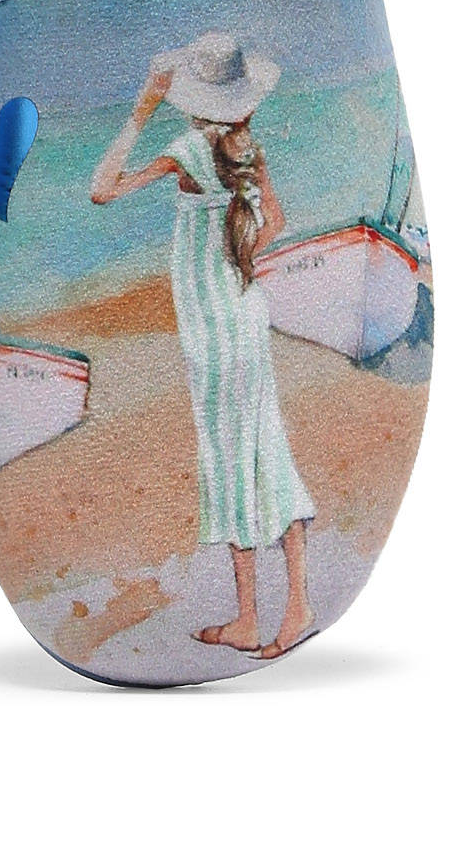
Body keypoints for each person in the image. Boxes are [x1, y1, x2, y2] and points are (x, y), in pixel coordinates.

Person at [91, 32, 315, 658]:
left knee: (230, 459)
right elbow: (275, 222)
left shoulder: (190, 149)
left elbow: (102, 188)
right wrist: (237, 259)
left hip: (213, 331)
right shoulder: (248, 149)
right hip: (243, 313)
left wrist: (141, 111)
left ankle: (255, 615)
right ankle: (288, 605)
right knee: (263, 449)